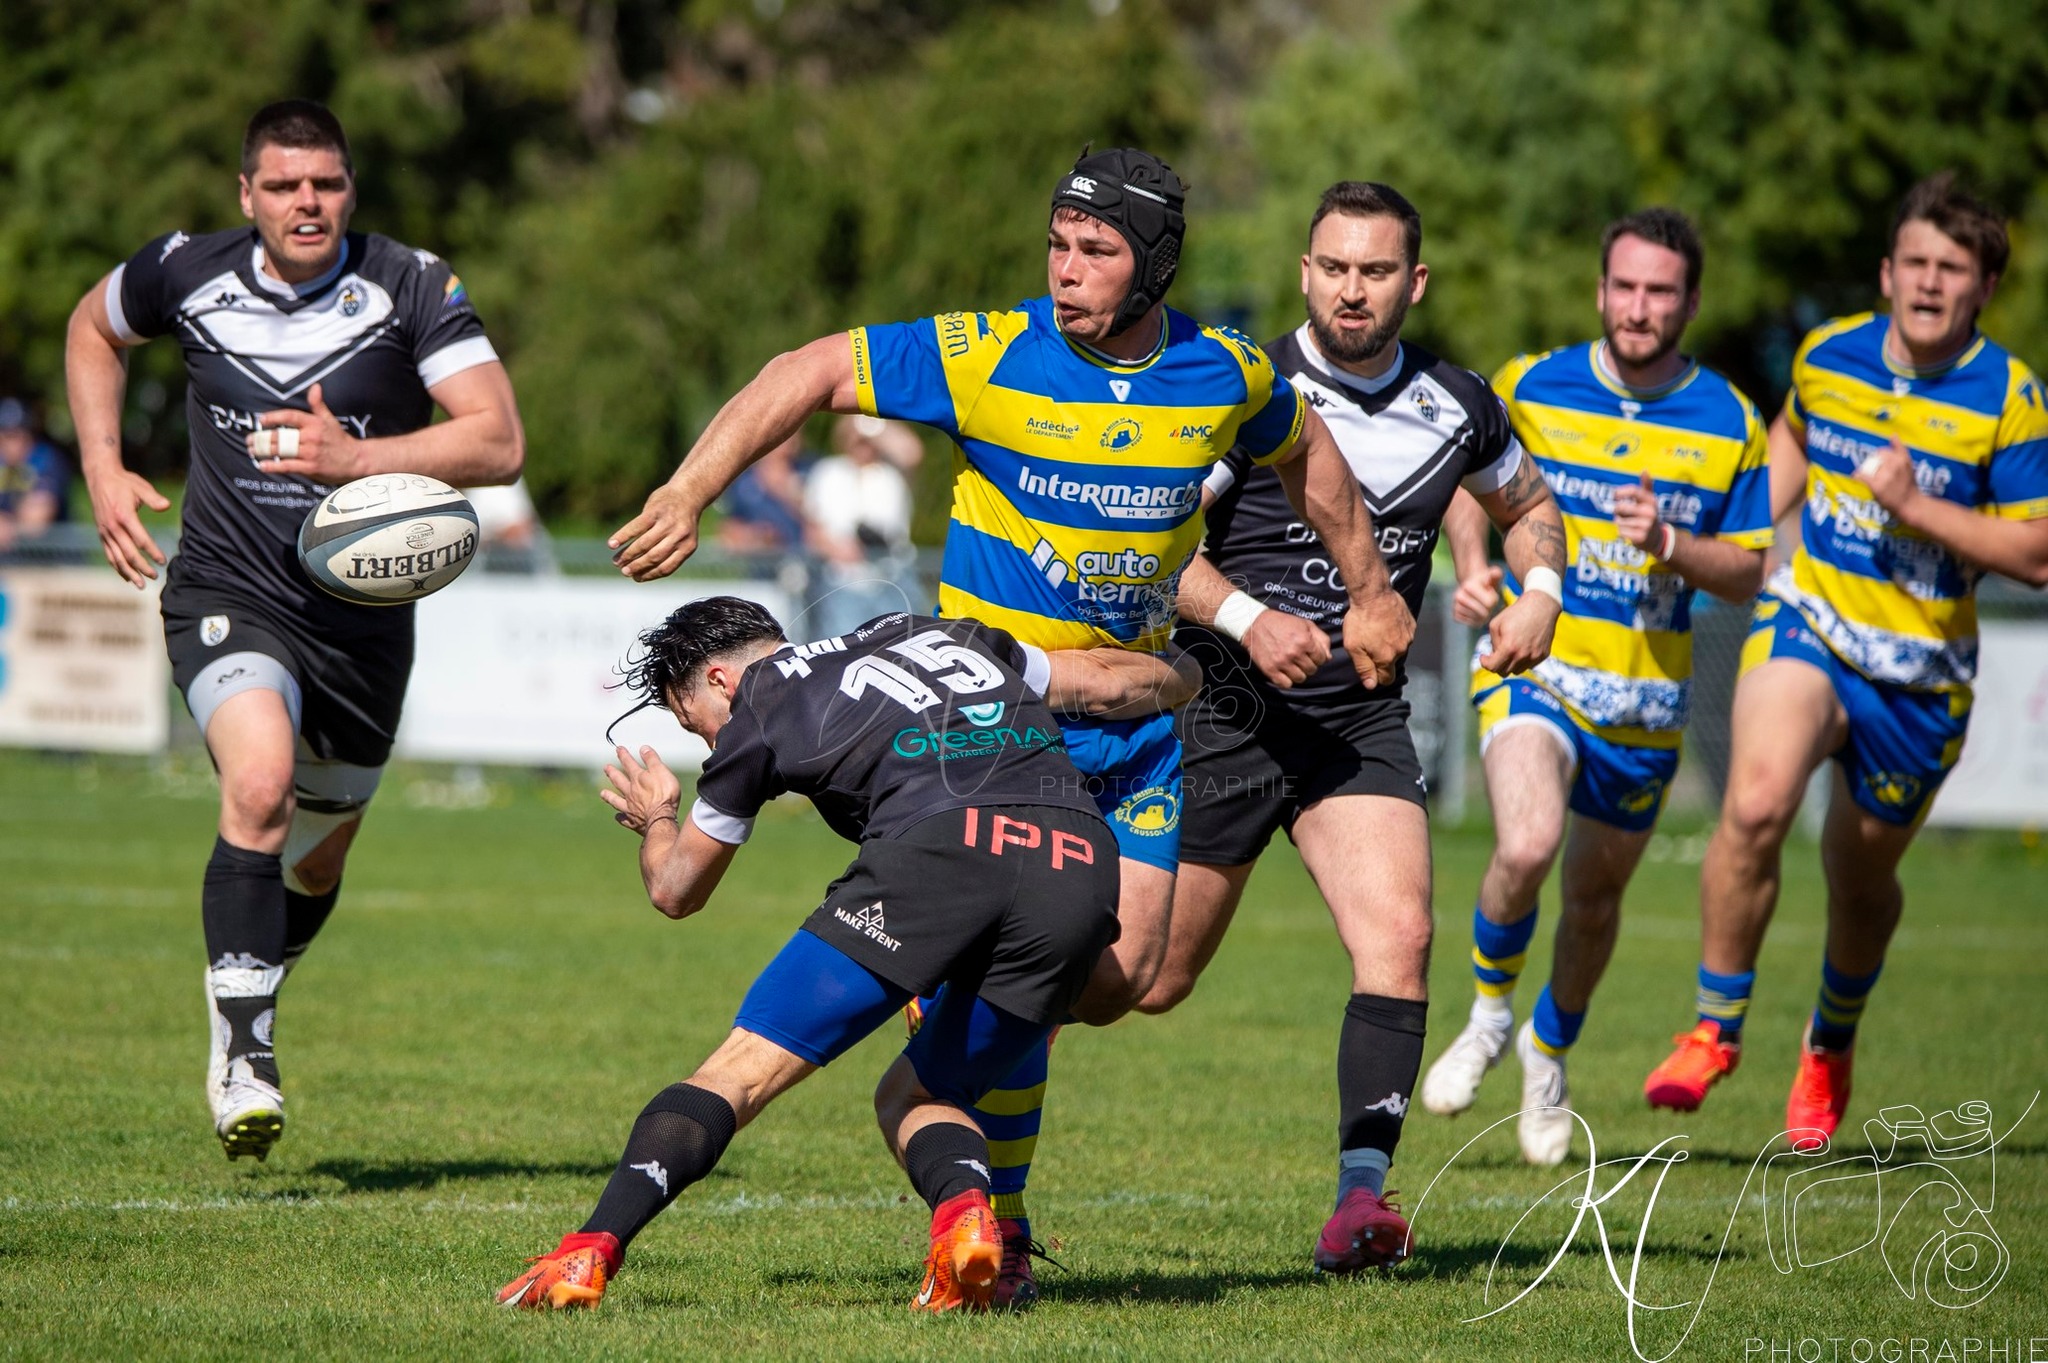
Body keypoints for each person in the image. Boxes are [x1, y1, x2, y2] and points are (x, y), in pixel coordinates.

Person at [607, 147, 1413, 1306]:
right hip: (991, 732)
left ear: (1155, 267)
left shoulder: (1221, 372)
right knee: (1024, 970)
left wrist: (1370, 587)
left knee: (1123, 977)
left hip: (1133, 723)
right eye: (1057, 244)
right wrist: (689, 489)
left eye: (1097, 251)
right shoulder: (985, 353)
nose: (1066, 269)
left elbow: (1310, 457)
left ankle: (960, 1089)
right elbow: (805, 369)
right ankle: (993, 1214)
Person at [64, 99, 525, 1161]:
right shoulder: (185, 270)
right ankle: (244, 1049)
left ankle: (247, 969)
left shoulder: (411, 285)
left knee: (315, 865)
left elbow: (498, 441)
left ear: (349, 189)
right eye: (282, 185)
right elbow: (91, 328)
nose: (304, 202)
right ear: (247, 195)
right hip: (229, 586)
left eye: (324, 183)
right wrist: (100, 462)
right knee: (258, 784)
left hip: (361, 623)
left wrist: (355, 459)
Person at [497, 598, 1160, 1312]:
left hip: (940, 850)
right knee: (925, 1093)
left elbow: (676, 888)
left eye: (694, 722)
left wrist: (658, 814)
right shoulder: (926, 628)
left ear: (721, 680)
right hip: (1081, 863)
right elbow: (1105, 684)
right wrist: (1204, 669)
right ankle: (969, 1218)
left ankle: (587, 1250)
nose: (708, 739)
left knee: (740, 1072)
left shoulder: (761, 704)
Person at [1158, 181, 1565, 1270]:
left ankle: (1358, 1202)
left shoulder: (1459, 403)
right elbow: (1154, 551)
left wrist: (1540, 595)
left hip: (1357, 721)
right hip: (1226, 713)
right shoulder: (1240, 389)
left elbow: (1529, 508)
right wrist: (1247, 618)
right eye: (1332, 266)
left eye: (1374, 270)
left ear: (1411, 282)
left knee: (1401, 935)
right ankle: (962, 1018)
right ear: (1303, 273)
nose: (1350, 288)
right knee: (1146, 980)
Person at [1642, 174, 2048, 1144]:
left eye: (1949, 268)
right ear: (1883, 271)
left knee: (1858, 880)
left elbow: (2034, 554)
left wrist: (1915, 508)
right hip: (1809, 619)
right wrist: (1740, 528)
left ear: (1981, 286)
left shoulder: (2011, 398)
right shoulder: (1827, 355)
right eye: (1911, 262)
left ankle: (1828, 1042)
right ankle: (1712, 1025)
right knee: (1753, 799)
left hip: (1918, 674)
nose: (1925, 282)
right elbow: (1790, 438)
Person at [1423, 208, 1773, 1166]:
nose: (1639, 306)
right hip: (1537, 670)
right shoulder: (1533, 384)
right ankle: (1491, 1014)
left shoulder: (1729, 419)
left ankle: (1549, 1051)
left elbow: (1748, 570)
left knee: (1592, 900)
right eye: (1625, 286)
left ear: (1691, 302)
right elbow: (1458, 479)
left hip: (1645, 708)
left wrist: (1668, 542)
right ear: (1599, 290)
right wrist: (1474, 565)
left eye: (1661, 291)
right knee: (1528, 840)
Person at [803, 414, 919, 638]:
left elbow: (911, 453)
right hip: (843, 581)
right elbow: (812, 529)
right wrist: (839, 549)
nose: (862, 445)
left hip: (892, 576)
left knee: (900, 649)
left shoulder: (890, 473)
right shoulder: (828, 472)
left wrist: (871, 425)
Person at [0, 397, 70, 553]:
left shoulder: (46, 459)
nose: (12, 443)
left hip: (53, 561)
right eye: (6, 435)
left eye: (17, 434)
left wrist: (8, 523)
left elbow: (35, 523)